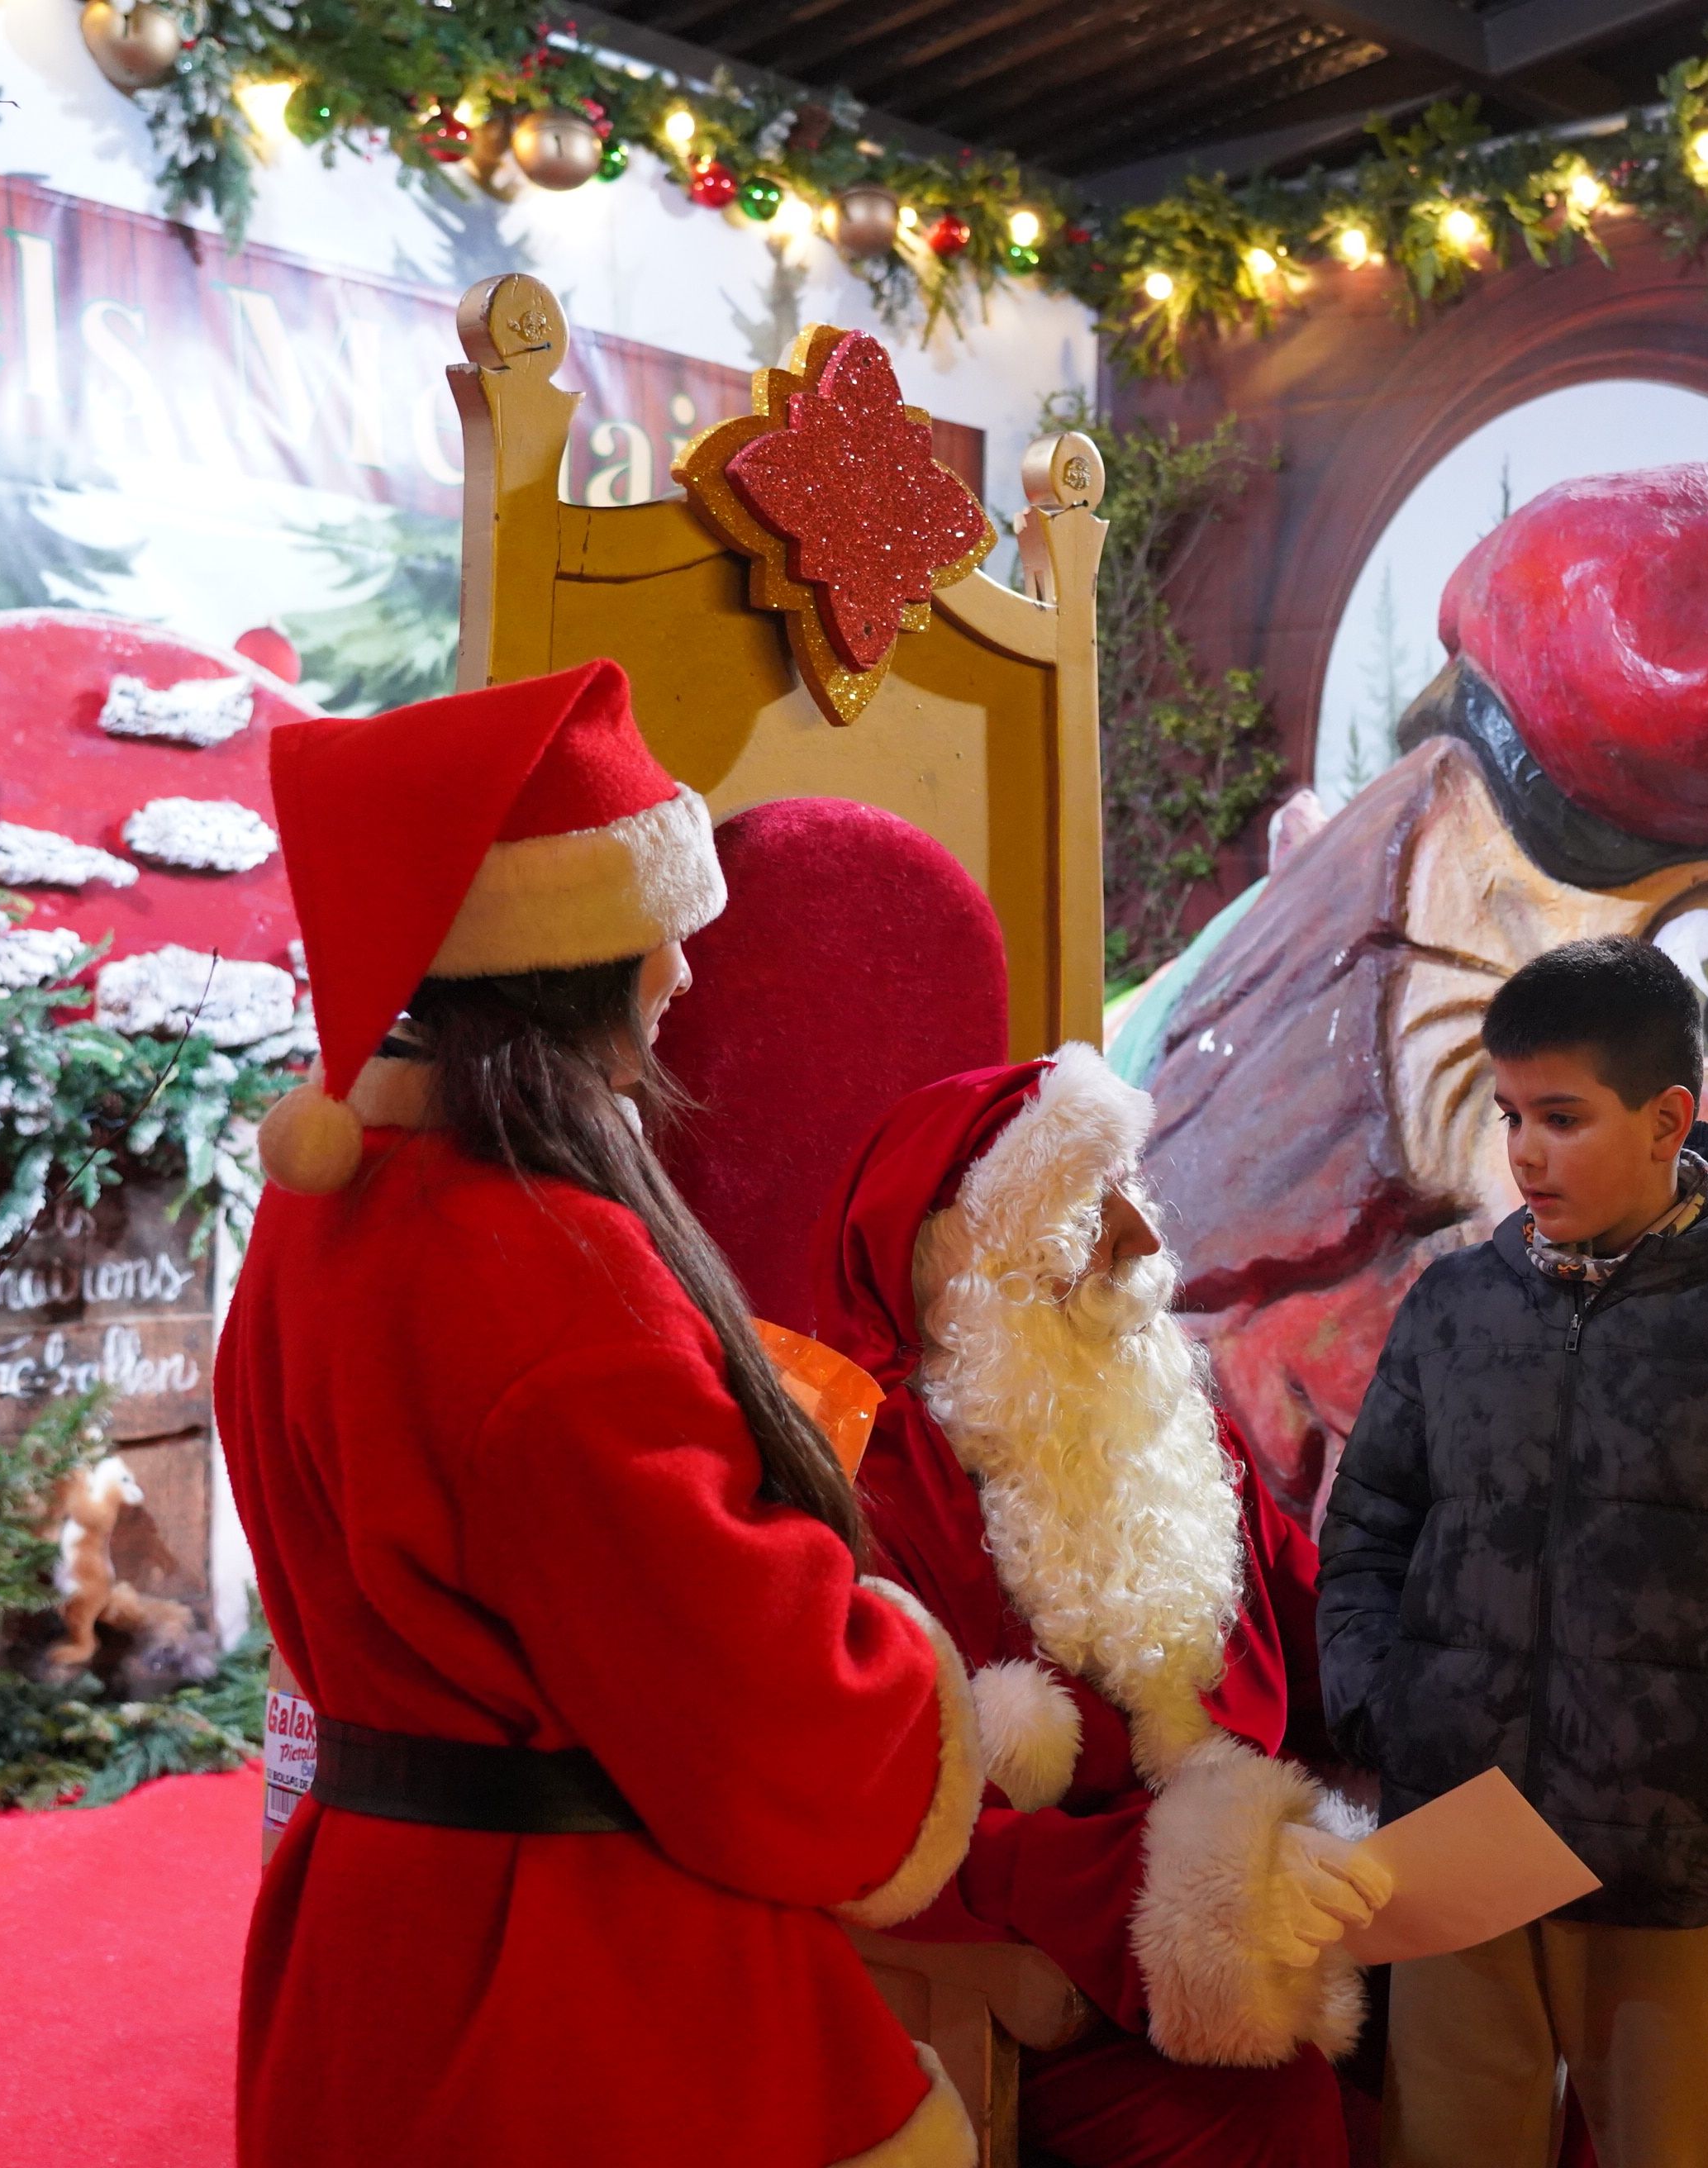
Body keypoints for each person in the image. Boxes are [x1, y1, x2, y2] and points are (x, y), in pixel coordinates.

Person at [218, 659, 987, 2168]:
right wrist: (912, 1678)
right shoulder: (543, 1266)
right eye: (657, 942)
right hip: (579, 1994)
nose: (683, 981)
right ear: (564, 960)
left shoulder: (322, 1211)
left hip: (377, 1949)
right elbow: (748, 1699)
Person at [1318, 934, 1708, 2168]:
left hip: (1677, 1845)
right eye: (1509, 1116)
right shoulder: (1455, 1307)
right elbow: (1368, 1533)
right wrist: (1388, 1714)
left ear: (1670, 1120)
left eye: (1563, 1116)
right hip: (1460, 1831)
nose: (1526, 1154)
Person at [811, 1044, 1393, 2168]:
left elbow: (1333, 1644)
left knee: (1512, 2026)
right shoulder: (882, 1490)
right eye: (1086, 1208)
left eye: (1132, 1190)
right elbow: (881, 1827)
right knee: (1263, 2129)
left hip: (1292, 1910)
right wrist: (1192, 1888)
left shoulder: (1177, 1431)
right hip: (1067, 1985)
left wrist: (1485, 1694)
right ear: (963, 1268)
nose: (1138, 1233)